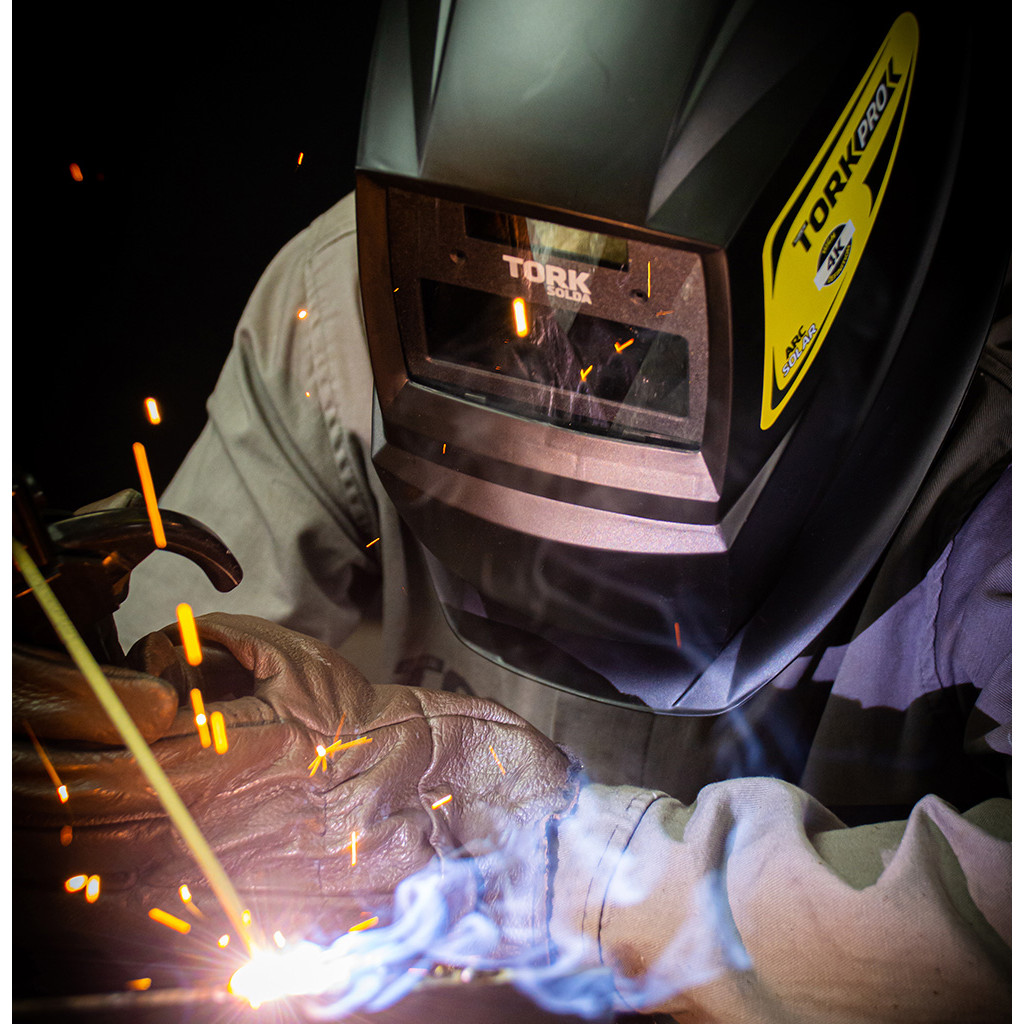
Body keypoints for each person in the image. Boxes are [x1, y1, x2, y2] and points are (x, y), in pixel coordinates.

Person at [14, 3, 1010, 1021]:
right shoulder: (347, 311)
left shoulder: (996, 459)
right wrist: (142, 751)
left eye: (634, 330)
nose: (555, 359)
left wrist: (528, 843)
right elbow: (174, 722)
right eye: (481, 301)